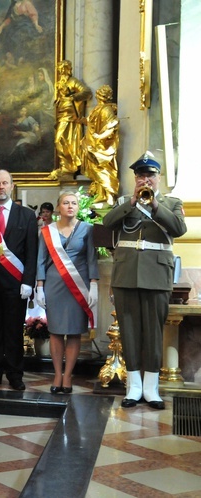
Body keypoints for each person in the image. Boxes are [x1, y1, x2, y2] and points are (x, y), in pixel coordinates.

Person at [102, 153, 187, 410]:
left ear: (158, 178)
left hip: (157, 276)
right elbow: (107, 223)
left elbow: (179, 229)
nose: (145, 180)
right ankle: (133, 388)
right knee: (129, 333)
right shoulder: (123, 203)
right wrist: (131, 202)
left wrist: (154, 207)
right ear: (136, 178)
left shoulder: (171, 203)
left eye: (150, 175)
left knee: (152, 333)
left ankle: (151, 389)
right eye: (141, 175)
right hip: (126, 275)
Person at [0, 170, 38, 391]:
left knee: (14, 330)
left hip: (16, 283)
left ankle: (15, 374)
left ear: (12, 185)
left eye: (5, 183)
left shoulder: (26, 215)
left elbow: (32, 251)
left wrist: (28, 281)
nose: (1, 187)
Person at [35, 192, 99, 394]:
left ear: (78, 207)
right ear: (58, 207)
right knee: (55, 331)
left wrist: (94, 284)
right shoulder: (47, 231)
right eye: (66, 203)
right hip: (54, 285)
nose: (70, 206)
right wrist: (39, 287)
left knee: (73, 332)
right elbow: (40, 260)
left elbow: (91, 258)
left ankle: (68, 375)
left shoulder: (87, 229)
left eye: (74, 203)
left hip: (78, 285)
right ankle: (57, 374)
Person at [50, 60, 92, 179]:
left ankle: (68, 167)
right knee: (59, 140)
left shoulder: (73, 81)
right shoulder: (59, 83)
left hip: (71, 116)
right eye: (60, 69)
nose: (62, 71)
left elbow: (87, 92)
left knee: (61, 140)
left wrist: (73, 97)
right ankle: (65, 166)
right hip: (61, 115)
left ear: (68, 69)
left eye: (64, 69)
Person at [82, 84, 120, 206]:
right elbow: (91, 123)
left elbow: (111, 127)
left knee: (103, 169)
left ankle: (109, 194)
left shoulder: (106, 110)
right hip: (92, 143)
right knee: (95, 169)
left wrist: (100, 136)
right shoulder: (97, 108)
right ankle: (100, 194)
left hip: (102, 147)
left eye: (100, 94)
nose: (98, 96)